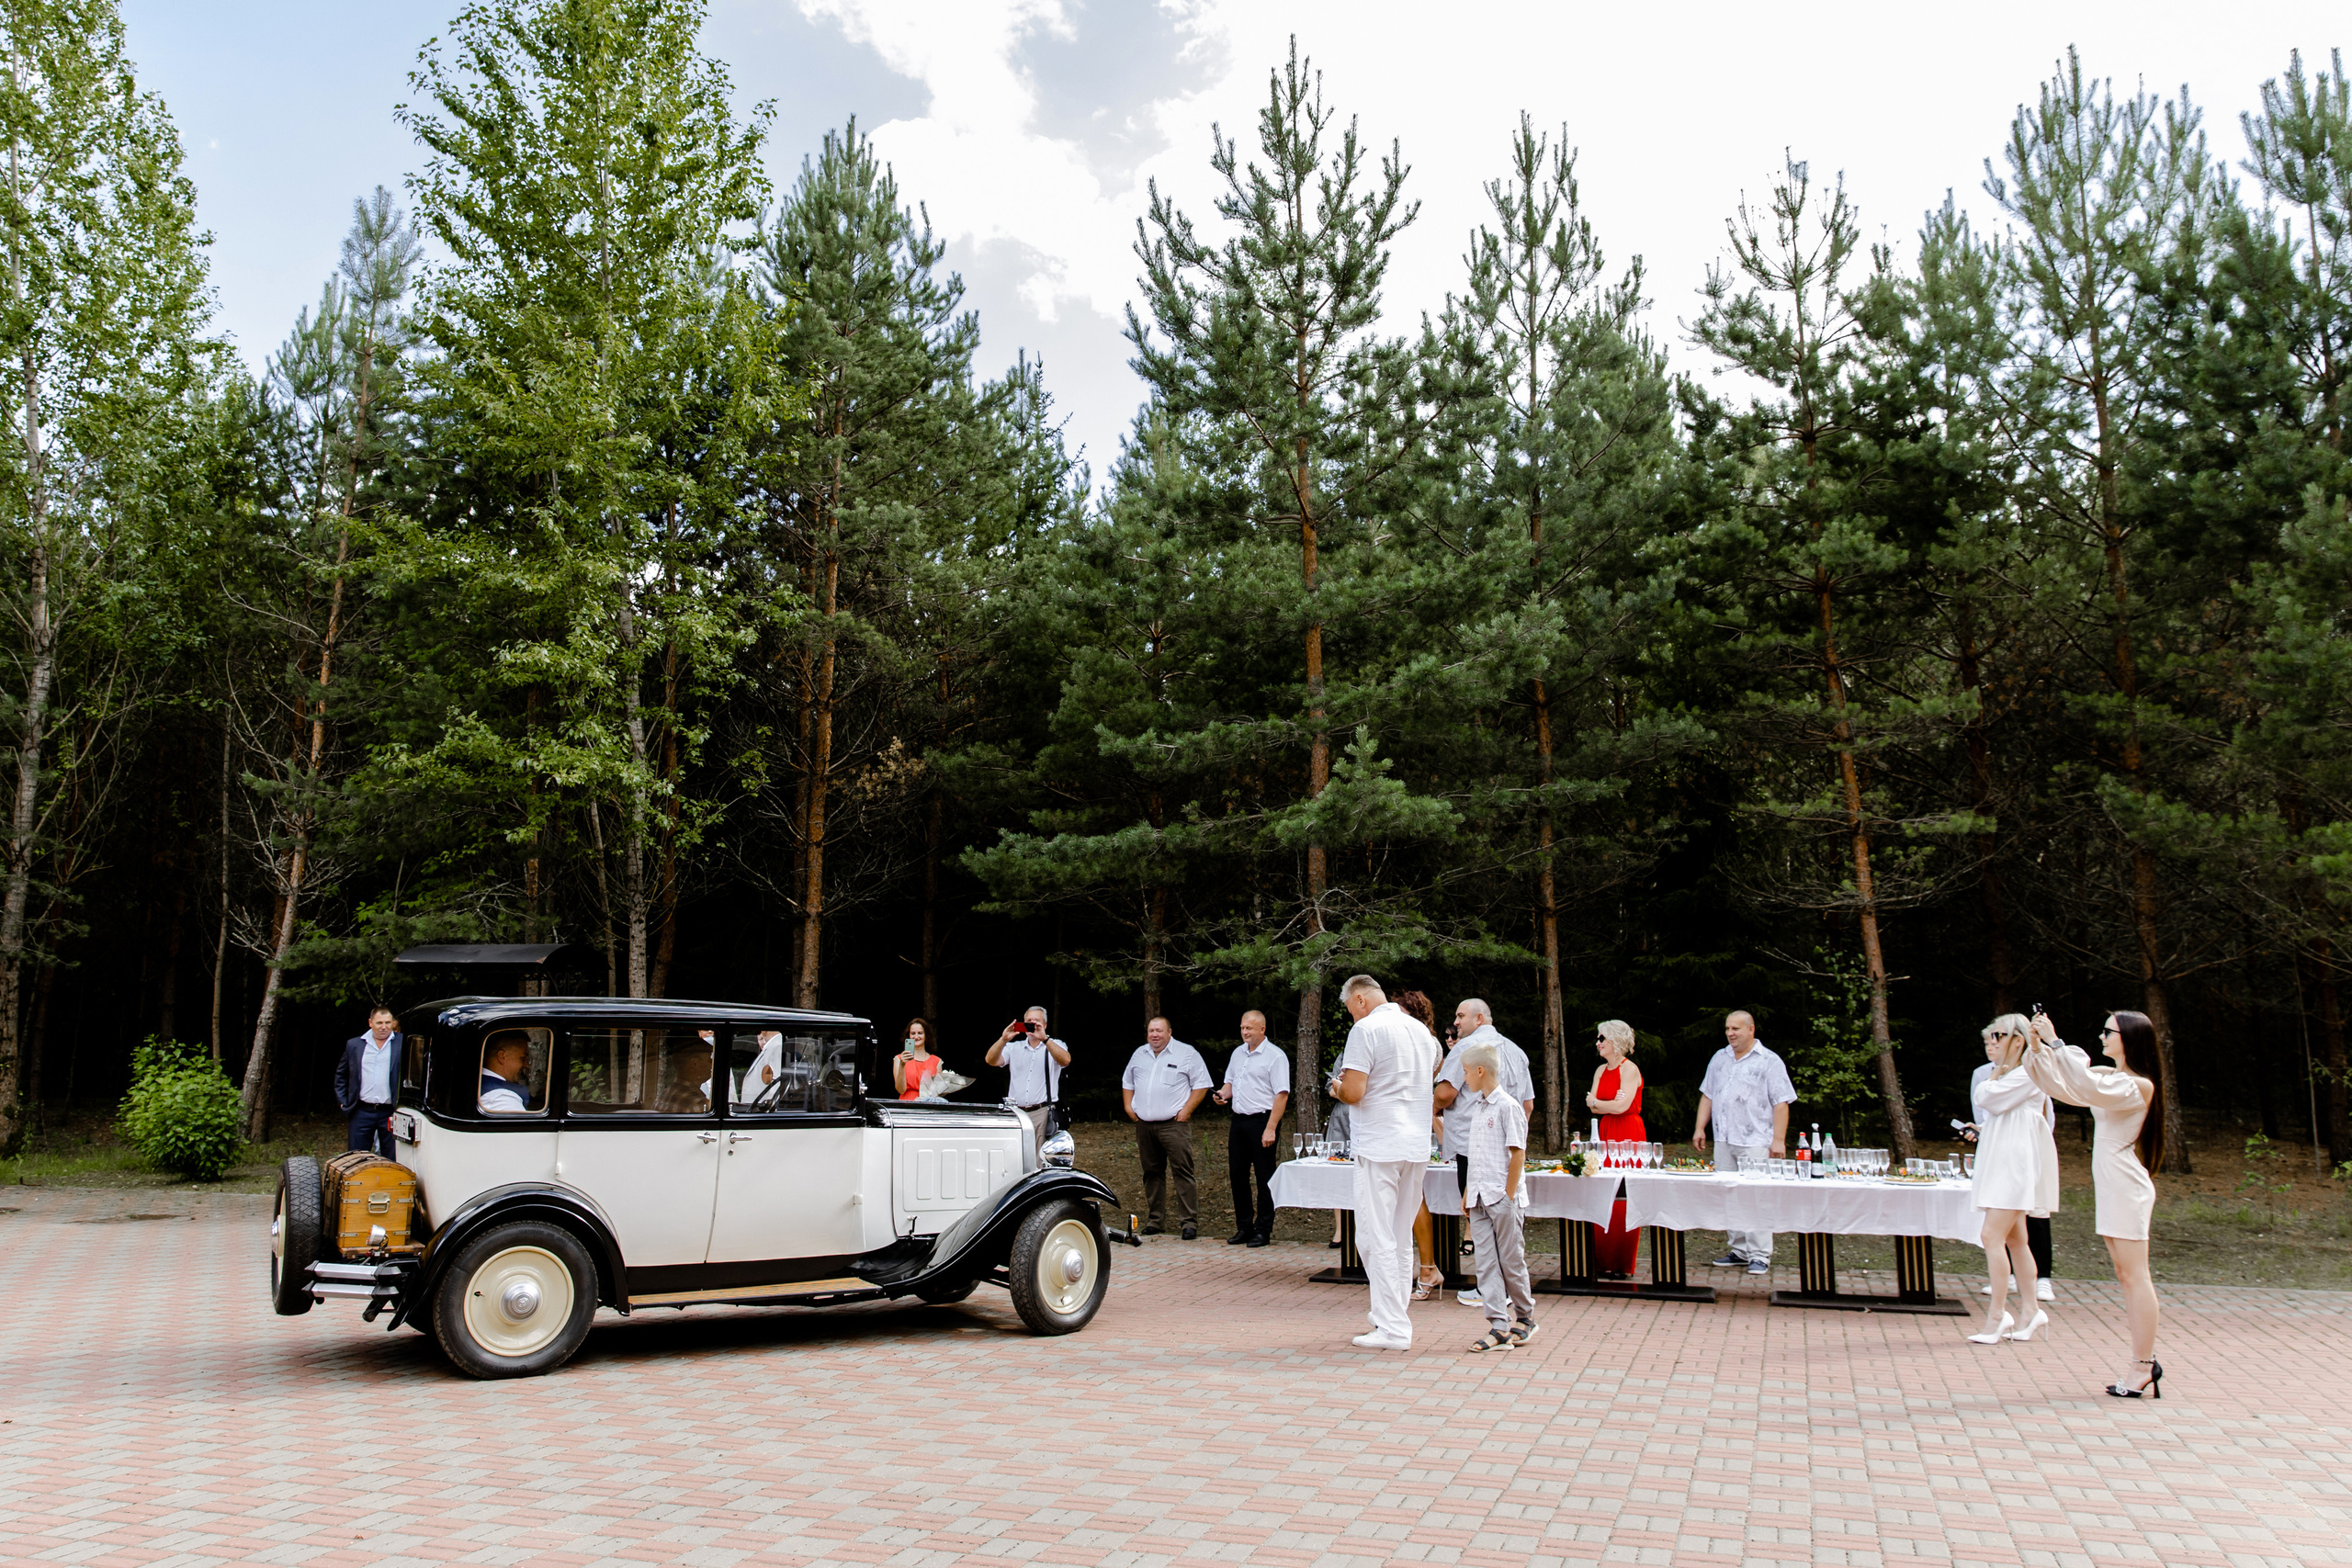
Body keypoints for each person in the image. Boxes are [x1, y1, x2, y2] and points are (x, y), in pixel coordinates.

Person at [2026, 1008, 2165, 1398]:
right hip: (2112, 1185)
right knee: (2125, 1274)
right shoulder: (2111, 1077)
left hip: (2126, 1185)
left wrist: (2055, 1042)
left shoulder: (2138, 1085)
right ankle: (2142, 1363)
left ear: (2129, 1039)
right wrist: (2037, 1049)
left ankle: (2143, 1365)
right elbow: (2064, 1087)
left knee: (2135, 1275)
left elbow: (2083, 1083)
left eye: (2108, 1032)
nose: (2102, 1038)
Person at [1329, 975, 1441, 1350]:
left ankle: (1392, 1327)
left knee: (1375, 1236)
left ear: (1360, 999)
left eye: (1350, 1009)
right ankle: (1391, 1317)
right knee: (1398, 1233)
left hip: (1379, 1143)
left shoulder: (1366, 1030)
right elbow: (1430, 1072)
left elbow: (1355, 1091)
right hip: (1415, 1144)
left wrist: (1337, 1087)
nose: (1352, 1017)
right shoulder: (1420, 1031)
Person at [1965, 1012, 2059, 1344]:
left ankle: (1998, 1314)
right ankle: (2031, 1310)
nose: (1992, 1044)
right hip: (2004, 1159)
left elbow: (1987, 1098)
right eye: (1990, 1037)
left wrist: (1995, 1076)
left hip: (2014, 1164)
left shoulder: (2028, 1071)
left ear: (2018, 1040)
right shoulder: (2011, 1073)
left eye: (1998, 1036)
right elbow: (1993, 1104)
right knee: (2017, 1239)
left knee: (1992, 1235)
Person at [1435, 998, 1534, 1305]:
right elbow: (1528, 1104)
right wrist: (1513, 1136)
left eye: (1461, 1016)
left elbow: (1445, 1093)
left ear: (1479, 1018)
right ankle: (1502, 1289)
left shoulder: (1466, 1049)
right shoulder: (1516, 1051)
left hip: (1473, 1147)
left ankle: (1493, 1290)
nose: (1456, 1022)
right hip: (1507, 1149)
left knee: (1481, 1222)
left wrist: (1432, 1103)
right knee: (1506, 1226)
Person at [1690, 1010, 1795, 1276]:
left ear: (1751, 1029)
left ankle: (1760, 1254)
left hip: (1756, 1140)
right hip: (1724, 1138)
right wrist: (1700, 1127)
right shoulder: (1720, 1058)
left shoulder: (1769, 1060)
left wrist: (1778, 1140)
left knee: (1756, 1197)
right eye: (1727, 1028)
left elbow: (1781, 1102)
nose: (1730, 1033)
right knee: (1730, 1195)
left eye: (1736, 1028)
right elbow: (1708, 1095)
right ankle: (1739, 1250)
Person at [1457, 1043, 1538, 1352]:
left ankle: (1525, 1316)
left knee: (1511, 1260)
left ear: (1480, 1071)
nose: (1464, 1078)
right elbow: (1475, 1155)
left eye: (1466, 1072)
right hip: (1479, 1199)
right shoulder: (1477, 1108)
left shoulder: (1508, 1106)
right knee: (1486, 1263)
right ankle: (1498, 1326)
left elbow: (1517, 1153)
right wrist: (1469, 1191)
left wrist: (1508, 1195)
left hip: (1502, 1199)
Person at [1121, 1017, 1213, 1238]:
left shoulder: (1186, 1053)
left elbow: (1202, 1084)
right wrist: (1128, 1107)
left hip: (1174, 1125)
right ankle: (1155, 1221)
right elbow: (1128, 1082)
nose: (1155, 1035)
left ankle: (1188, 1223)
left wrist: (1187, 1110)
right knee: (1151, 1173)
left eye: (1159, 1031)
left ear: (1169, 1032)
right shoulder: (1139, 1054)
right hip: (1145, 1125)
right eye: (1151, 1031)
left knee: (1182, 1172)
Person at [1211, 1010, 1290, 1247]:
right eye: (1242, 1028)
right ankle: (1244, 1227)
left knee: (1265, 1177)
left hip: (1262, 1121)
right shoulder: (1238, 1053)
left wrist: (1271, 1128)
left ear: (1262, 1029)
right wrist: (1222, 1094)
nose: (1245, 1032)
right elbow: (1230, 1083)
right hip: (1239, 1121)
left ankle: (1263, 1230)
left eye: (1249, 1028)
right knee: (1238, 1175)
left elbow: (1282, 1094)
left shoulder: (1275, 1056)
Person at [1392, 990, 1447, 1300]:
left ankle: (1428, 1267)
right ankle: (1411, 1265)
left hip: (1409, 1121)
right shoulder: (1429, 1043)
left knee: (1414, 1197)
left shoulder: (1426, 1043)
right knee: (1405, 1196)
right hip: (1408, 1120)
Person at [1586, 1020, 1646, 1280]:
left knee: (1624, 1194)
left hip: (1628, 1132)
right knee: (1603, 1190)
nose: (1598, 1043)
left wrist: (1600, 1103)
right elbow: (1592, 1106)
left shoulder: (1629, 1069)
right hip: (1606, 1130)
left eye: (1602, 1038)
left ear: (1615, 1040)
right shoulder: (1601, 1070)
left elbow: (1622, 1107)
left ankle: (1622, 1262)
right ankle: (1601, 1260)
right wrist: (1603, 1104)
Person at [988, 1006, 1070, 1145]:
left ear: (1045, 1025)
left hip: (1042, 1112)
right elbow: (991, 1060)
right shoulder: (1014, 1047)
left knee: (1039, 1154)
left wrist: (1044, 1039)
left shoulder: (1055, 1045)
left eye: (1036, 1021)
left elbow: (1065, 1060)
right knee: (1014, 1151)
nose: (1032, 1024)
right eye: (1028, 1021)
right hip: (1015, 1113)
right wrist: (1003, 1039)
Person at [334, 1005, 404, 1157]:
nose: (384, 1027)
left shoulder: (403, 1043)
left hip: (391, 1111)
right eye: (379, 1023)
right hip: (361, 1110)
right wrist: (343, 1101)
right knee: (356, 1157)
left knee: (393, 1158)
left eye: (387, 1022)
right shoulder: (355, 1045)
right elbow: (341, 1074)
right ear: (370, 1023)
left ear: (393, 1022)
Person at [479, 1032, 535, 1114]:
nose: (526, 1065)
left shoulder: (483, 1083)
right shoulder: (501, 1097)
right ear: (502, 1057)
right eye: (522, 1058)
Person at [894, 1018, 944, 1100]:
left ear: (926, 1035)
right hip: (907, 1103)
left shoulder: (937, 1061)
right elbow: (901, 1090)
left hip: (928, 1103)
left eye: (920, 1033)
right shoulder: (899, 1059)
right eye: (913, 1033)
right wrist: (902, 1065)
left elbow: (938, 1092)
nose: (916, 1037)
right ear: (909, 1036)